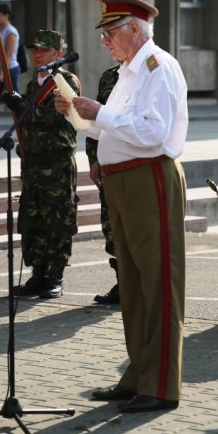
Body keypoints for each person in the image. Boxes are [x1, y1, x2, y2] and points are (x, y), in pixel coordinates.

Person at [59, 0, 188, 414]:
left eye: (110, 31)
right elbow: (114, 128)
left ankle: (162, 385)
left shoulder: (158, 67)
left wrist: (101, 113)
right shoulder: (129, 71)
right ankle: (139, 376)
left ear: (134, 28)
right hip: (124, 181)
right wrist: (79, 115)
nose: (104, 40)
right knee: (132, 286)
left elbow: (152, 132)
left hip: (149, 178)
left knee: (158, 283)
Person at [7, 30, 81, 299]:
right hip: (33, 164)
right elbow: (29, 121)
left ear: (58, 54)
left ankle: (55, 275)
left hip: (57, 164)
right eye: (35, 49)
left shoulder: (66, 81)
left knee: (58, 219)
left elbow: (54, 116)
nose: (38, 54)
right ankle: (37, 273)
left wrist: (23, 105)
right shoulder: (32, 84)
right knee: (32, 218)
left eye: (44, 50)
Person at [87, 63, 121, 305]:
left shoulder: (149, 73)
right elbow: (95, 120)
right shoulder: (108, 76)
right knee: (111, 227)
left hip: (130, 165)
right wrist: (93, 159)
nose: (108, 42)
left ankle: (138, 284)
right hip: (107, 164)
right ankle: (122, 282)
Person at [0, 3, 22, 93]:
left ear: (7, 16)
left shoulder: (10, 31)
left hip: (9, 70)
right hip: (1, 69)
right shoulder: (2, 30)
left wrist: (2, 73)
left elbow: (9, 54)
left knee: (14, 97)